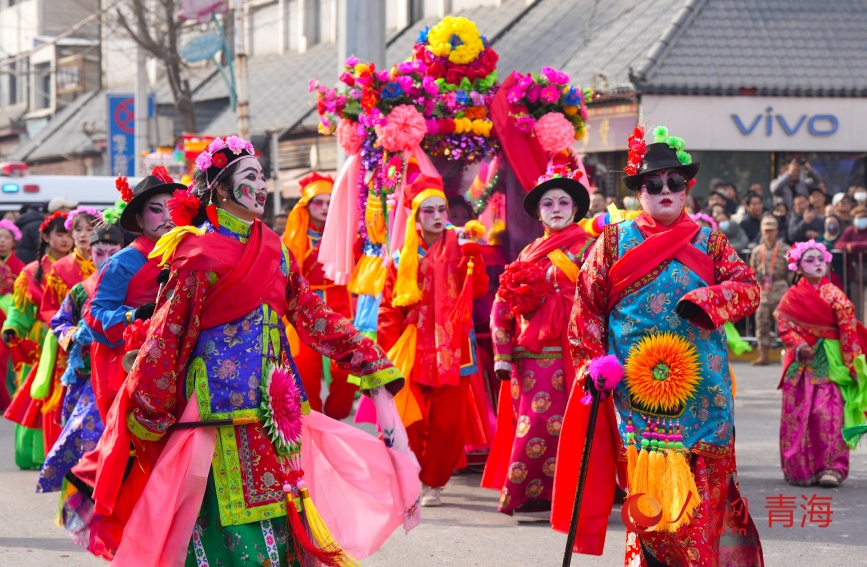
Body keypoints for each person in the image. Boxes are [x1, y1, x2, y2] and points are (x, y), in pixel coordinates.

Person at [70, 136, 413, 564]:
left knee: (283, 508)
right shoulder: (194, 253)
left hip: (273, 406)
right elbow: (167, 333)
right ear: (222, 189)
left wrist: (367, 357)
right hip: (216, 411)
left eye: (263, 176)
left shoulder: (277, 252)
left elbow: (312, 314)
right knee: (219, 522)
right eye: (251, 177)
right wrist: (148, 408)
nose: (263, 186)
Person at [554, 125, 763, 566]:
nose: (664, 190)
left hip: (704, 394)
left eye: (674, 182)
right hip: (638, 394)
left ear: (687, 188)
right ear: (639, 191)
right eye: (653, 183)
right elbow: (586, 309)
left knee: (703, 497)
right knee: (649, 500)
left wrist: (710, 299)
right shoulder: (611, 243)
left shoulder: (712, 242)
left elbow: (748, 287)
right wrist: (593, 367)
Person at [484, 164, 593, 515]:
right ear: (538, 212)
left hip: (577, 353)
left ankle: (577, 492)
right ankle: (532, 494)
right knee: (533, 423)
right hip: (529, 357)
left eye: (564, 202)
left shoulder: (592, 248)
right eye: (548, 204)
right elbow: (503, 302)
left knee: (576, 424)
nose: (557, 208)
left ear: (575, 209)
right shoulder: (527, 252)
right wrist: (501, 352)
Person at [378, 169, 489, 508]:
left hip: (455, 347)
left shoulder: (462, 243)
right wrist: (384, 355)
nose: (439, 217)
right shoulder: (402, 257)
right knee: (409, 417)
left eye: (442, 210)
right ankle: (409, 475)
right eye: (430, 211)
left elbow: (480, 290)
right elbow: (388, 307)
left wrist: (474, 258)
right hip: (413, 347)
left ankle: (434, 483)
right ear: (416, 215)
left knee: (447, 424)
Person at [36, 225, 125, 495]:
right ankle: (86, 490)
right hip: (87, 373)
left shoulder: (133, 283)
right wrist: (75, 335)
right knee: (84, 431)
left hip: (123, 369)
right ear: (89, 253)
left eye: (113, 252)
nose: (106, 258)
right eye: (100, 253)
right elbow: (60, 321)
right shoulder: (80, 290)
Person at [84, 169, 180, 420]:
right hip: (127, 364)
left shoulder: (186, 254)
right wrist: (134, 315)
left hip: (175, 362)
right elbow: (95, 316)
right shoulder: (123, 262)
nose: (168, 217)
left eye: (172, 208)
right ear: (138, 220)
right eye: (157, 210)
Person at [775, 241, 867, 488]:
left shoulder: (836, 296)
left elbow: (848, 333)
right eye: (810, 260)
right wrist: (797, 343)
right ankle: (799, 469)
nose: (817, 264)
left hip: (830, 361)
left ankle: (833, 468)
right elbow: (784, 325)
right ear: (798, 267)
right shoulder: (792, 295)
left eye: (820, 260)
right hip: (801, 364)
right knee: (797, 413)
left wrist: (854, 367)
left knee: (828, 413)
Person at [283, 173, 358, 419]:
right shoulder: (293, 238)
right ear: (306, 204)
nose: (325, 208)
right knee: (304, 368)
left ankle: (337, 414)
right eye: (318, 202)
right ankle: (312, 420)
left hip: (339, 305)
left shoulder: (347, 237)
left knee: (348, 369)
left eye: (330, 202)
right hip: (304, 308)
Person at [2, 212, 73, 469]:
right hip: (39, 343)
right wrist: (12, 326)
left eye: (68, 234)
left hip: (71, 342)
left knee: (67, 395)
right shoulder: (31, 273)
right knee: (36, 395)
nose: (65, 240)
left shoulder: (85, 267)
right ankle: (33, 453)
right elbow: (20, 311)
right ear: (45, 236)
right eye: (60, 234)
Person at [748, 215, 791, 366]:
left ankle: (788, 354)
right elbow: (752, 269)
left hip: (780, 288)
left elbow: (790, 273)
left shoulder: (785, 249)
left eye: (771, 230)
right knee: (761, 323)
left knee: (784, 323)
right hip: (763, 291)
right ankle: (763, 354)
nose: (768, 234)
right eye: (765, 231)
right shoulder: (757, 251)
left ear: (777, 231)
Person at [0, 220, 26, 410]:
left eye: (6, 237)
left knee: (8, 359)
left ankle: (8, 400)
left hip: (11, 316)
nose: (1, 241)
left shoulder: (20, 265)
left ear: (14, 241)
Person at [819, 214, 846, 285]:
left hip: (840, 271)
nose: (831, 225)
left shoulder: (843, 236)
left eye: (834, 223)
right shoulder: (820, 238)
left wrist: (830, 247)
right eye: (829, 223)